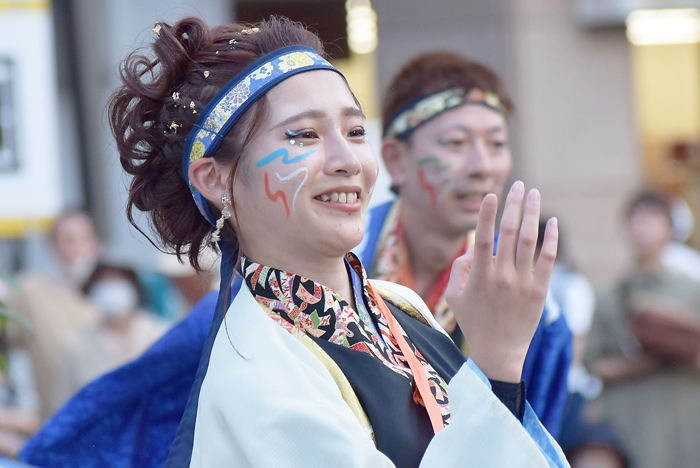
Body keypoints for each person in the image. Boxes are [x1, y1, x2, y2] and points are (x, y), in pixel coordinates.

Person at [22, 17, 568, 468]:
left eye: (355, 131)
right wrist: (496, 362)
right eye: (303, 135)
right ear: (215, 180)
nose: (347, 160)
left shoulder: (398, 306)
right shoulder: (259, 382)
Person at [356, 53, 572, 435]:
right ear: (395, 158)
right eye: (456, 142)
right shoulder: (334, 261)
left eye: (497, 143)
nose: (483, 166)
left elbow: (533, 447)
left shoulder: (533, 309)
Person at [584, 191, 700, 468]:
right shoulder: (610, 296)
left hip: (685, 421)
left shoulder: (692, 290)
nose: (642, 228)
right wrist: (643, 363)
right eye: (635, 220)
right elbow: (593, 365)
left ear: (670, 230)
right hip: (629, 426)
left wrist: (678, 345)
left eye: (652, 219)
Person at [64, 263, 168, 392]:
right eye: (103, 282)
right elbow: (65, 400)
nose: (111, 288)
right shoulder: (78, 344)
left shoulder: (161, 334)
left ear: (134, 287)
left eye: (118, 281)